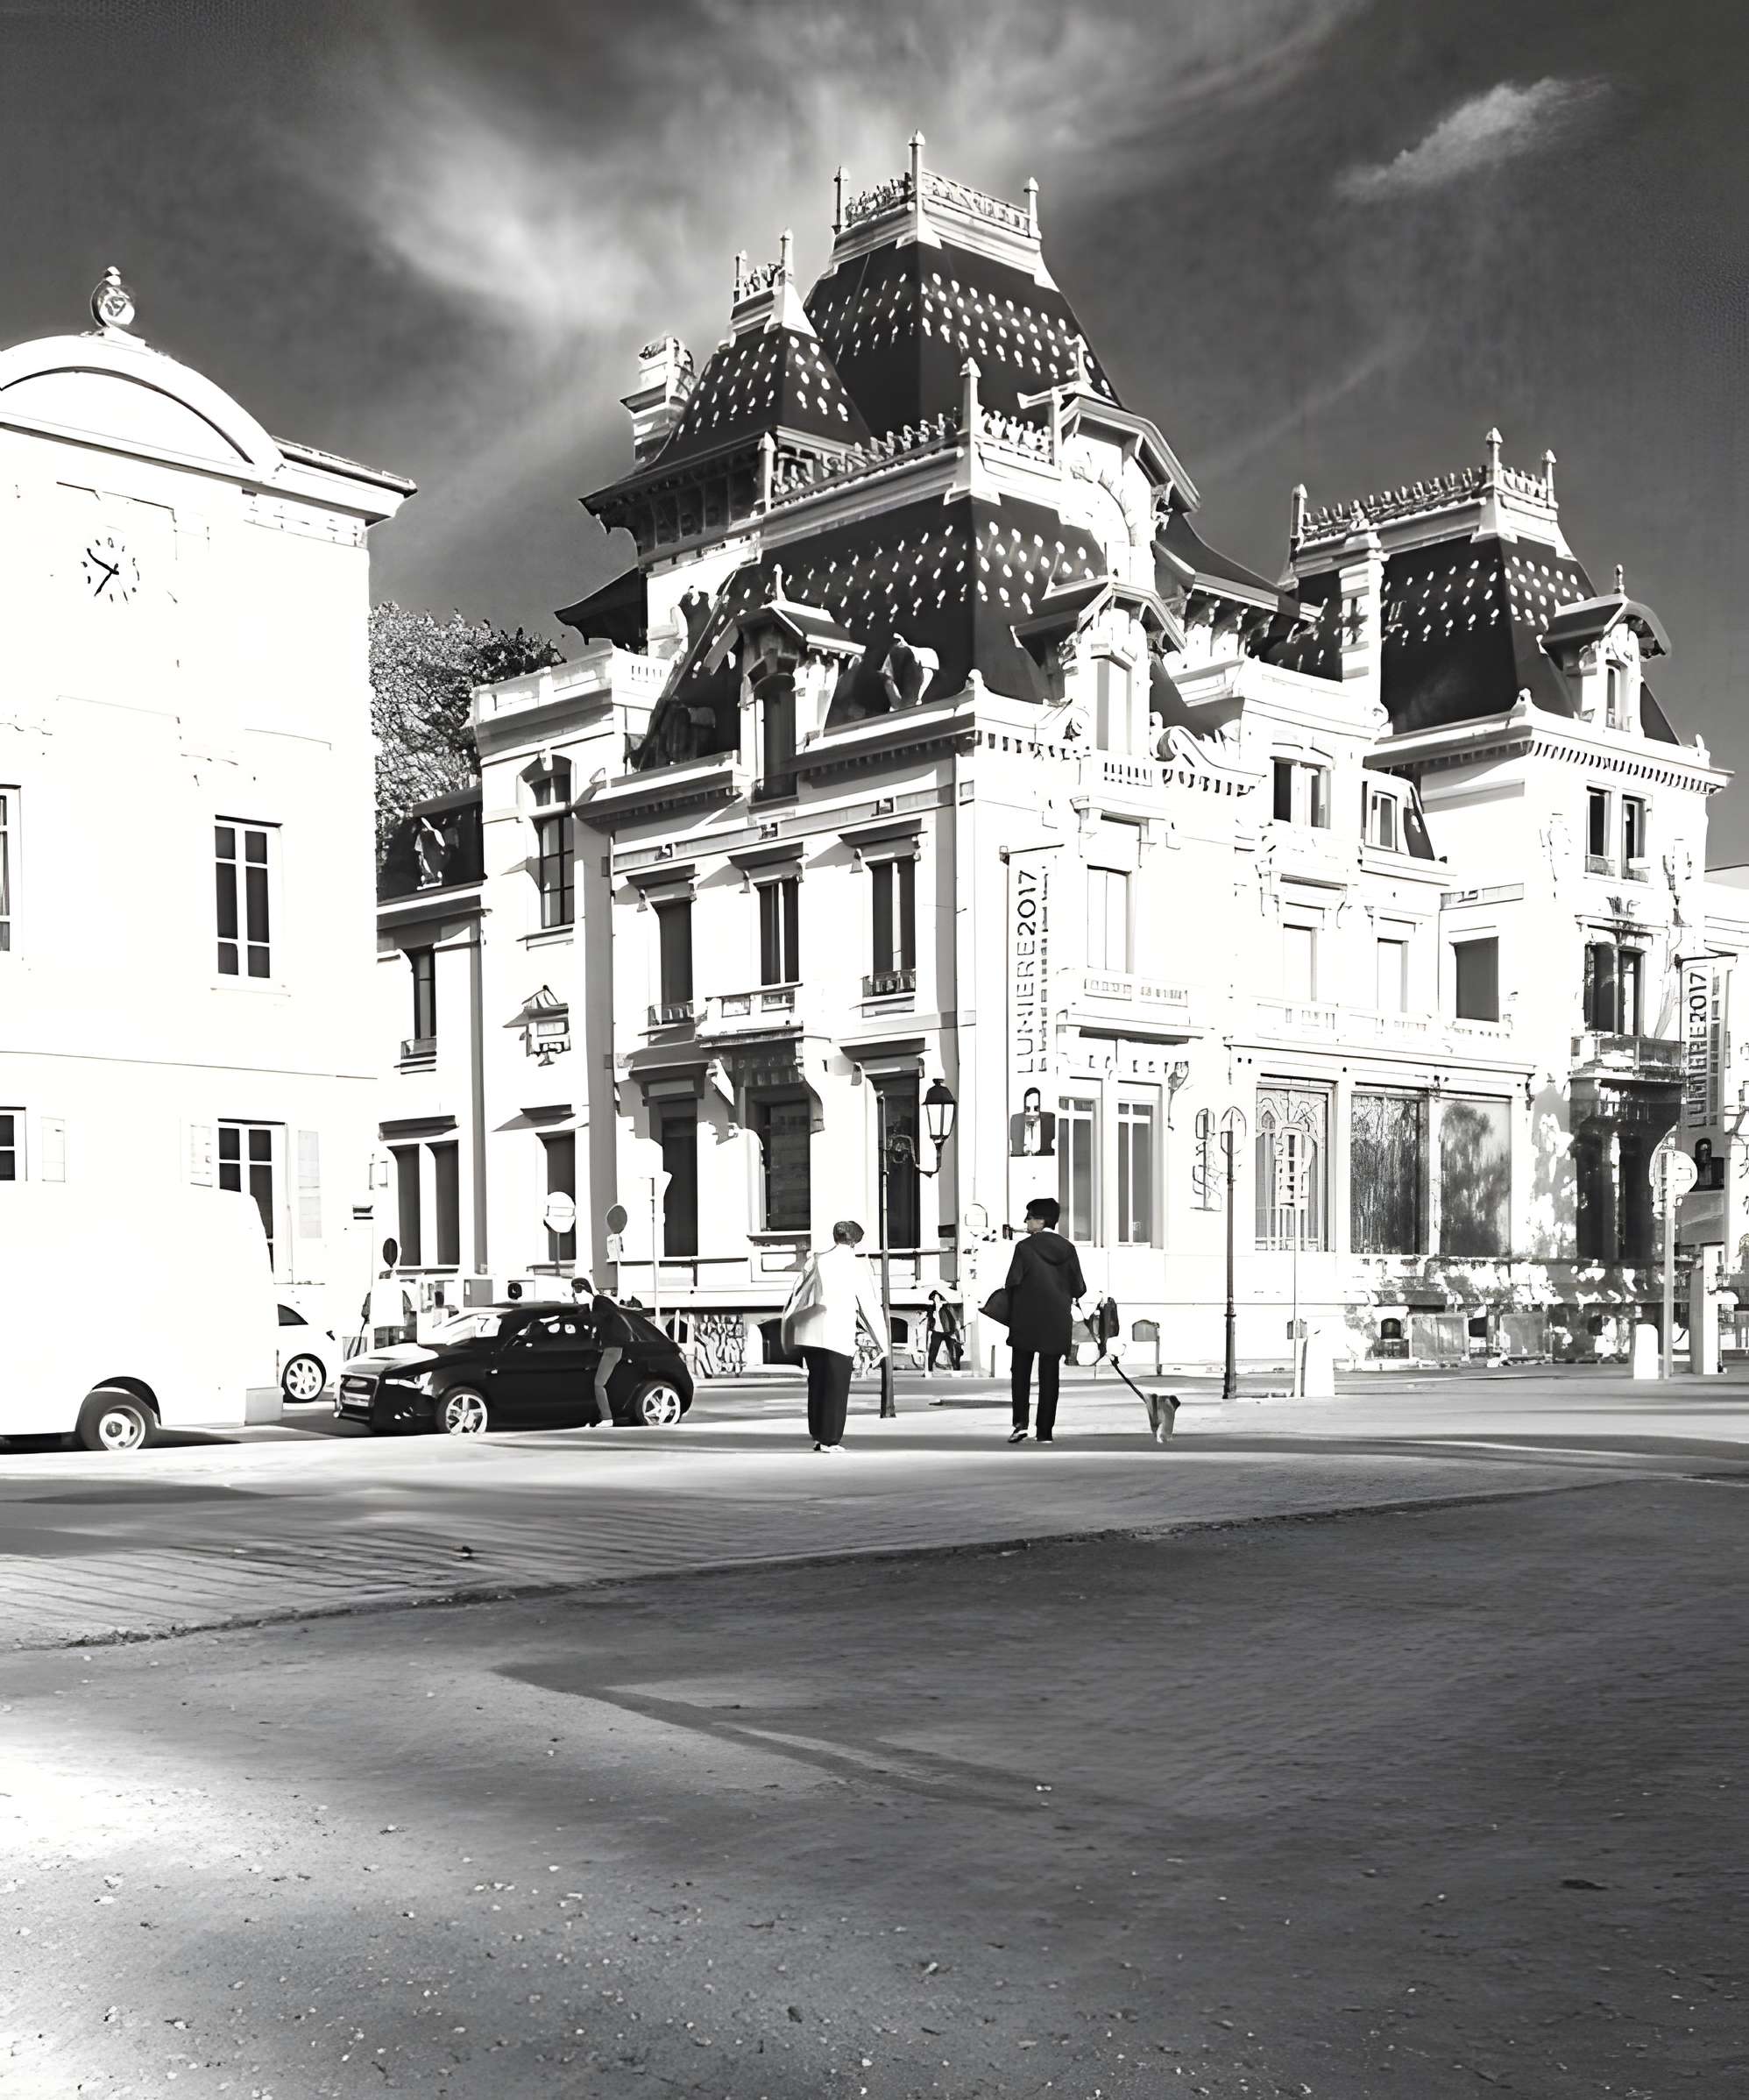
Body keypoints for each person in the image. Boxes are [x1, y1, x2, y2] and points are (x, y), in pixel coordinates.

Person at [780, 1219, 889, 1451]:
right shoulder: (855, 1266)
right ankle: (829, 1439)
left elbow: (797, 1293)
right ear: (855, 1241)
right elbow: (869, 1305)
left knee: (817, 1385)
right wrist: (883, 1344)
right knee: (836, 1389)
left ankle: (818, 1434)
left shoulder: (816, 1260)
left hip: (809, 1333)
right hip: (837, 1334)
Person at [1003, 1195, 1086, 1444]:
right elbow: (1079, 1288)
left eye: (1029, 1217)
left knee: (1021, 1373)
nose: (1026, 1222)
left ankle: (1020, 1425)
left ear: (1040, 1221)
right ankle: (1045, 1432)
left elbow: (1012, 1283)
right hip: (1056, 1322)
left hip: (1026, 1320)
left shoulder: (1025, 1248)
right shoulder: (1068, 1249)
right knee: (1050, 1376)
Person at [925, 1289, 964, 1373]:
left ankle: (956, 1369)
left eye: (937, 1297)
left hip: (948, 1332)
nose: (935, 1300)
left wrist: (955, 1332)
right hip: (936, 1332)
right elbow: (929, 1321)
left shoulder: (947, 1307)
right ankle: (929, 1370)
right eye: (934, 1298)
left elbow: (955, 1319)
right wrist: (929, 1329)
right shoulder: (932, 1309)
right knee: (933, 1351)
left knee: (952, 1351)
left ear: (940, 1298)